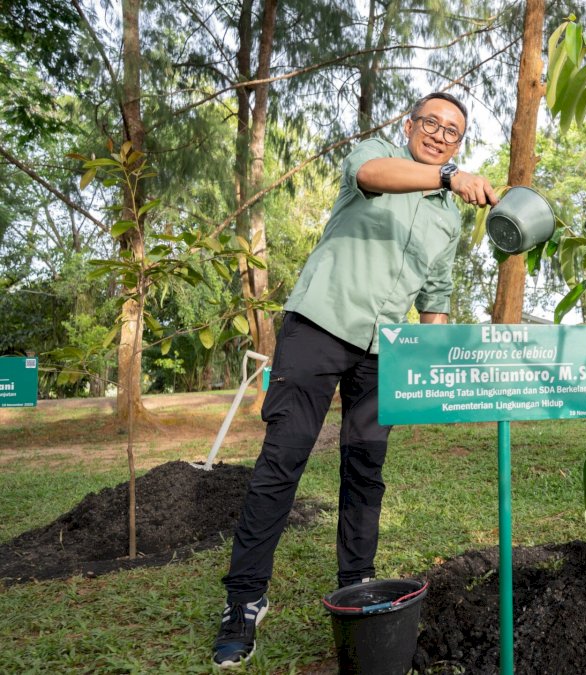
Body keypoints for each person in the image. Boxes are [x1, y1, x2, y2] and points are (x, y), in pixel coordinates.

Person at [211, 91, 498, 668]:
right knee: (281, 461)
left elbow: (435, 296)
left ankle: (358, 583)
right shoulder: (379, 157)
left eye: (454, 132)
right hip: (320, 324)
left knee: (366, 469)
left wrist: (425, 362)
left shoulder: (447, 218)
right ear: (410, 124)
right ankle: (244, 601)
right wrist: (446, 176)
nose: (442, 135)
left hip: (382, 351)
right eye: (433, 124)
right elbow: (371, 173)